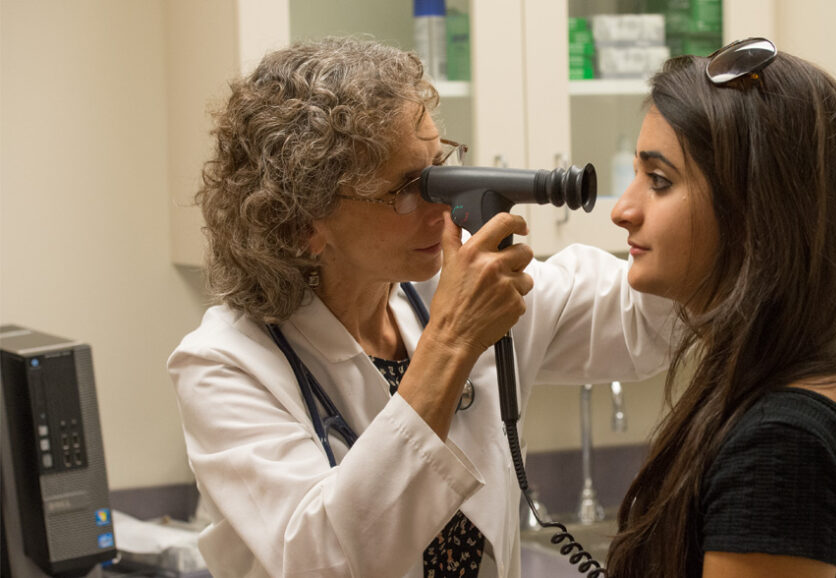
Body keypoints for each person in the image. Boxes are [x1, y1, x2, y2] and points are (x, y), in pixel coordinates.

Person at [167, 36, 674, 578]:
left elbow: (648, 320)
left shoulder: (435, 292)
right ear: (303, 224)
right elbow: (323, 562)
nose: (443, 204)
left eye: (439, 167)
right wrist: (451, 342)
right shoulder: (225, 363)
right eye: (410, 187)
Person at [604, 38, 836, 578]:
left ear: (754, 213)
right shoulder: (794, 386)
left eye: (659, 181)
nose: (624, 210)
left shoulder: (783, 445)